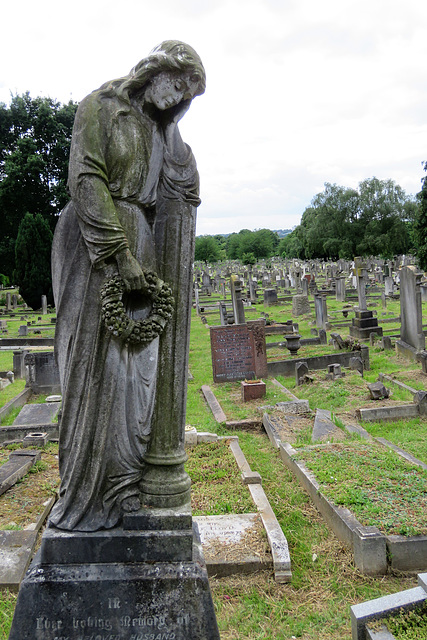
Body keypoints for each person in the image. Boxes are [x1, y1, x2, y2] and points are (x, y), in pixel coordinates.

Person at [50, 41, 206, 532]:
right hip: (91, 244)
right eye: (180, 83)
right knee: (89, 371)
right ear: (157, 69)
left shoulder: (164, 134)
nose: (181, 96)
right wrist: (119, 254)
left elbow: (181, 187)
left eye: (190, 94)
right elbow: (86, 177)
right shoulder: (100, 107)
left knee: (136, 374)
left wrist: (176, 137)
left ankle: (125, 487)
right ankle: (82, 494)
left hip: (143, 240)